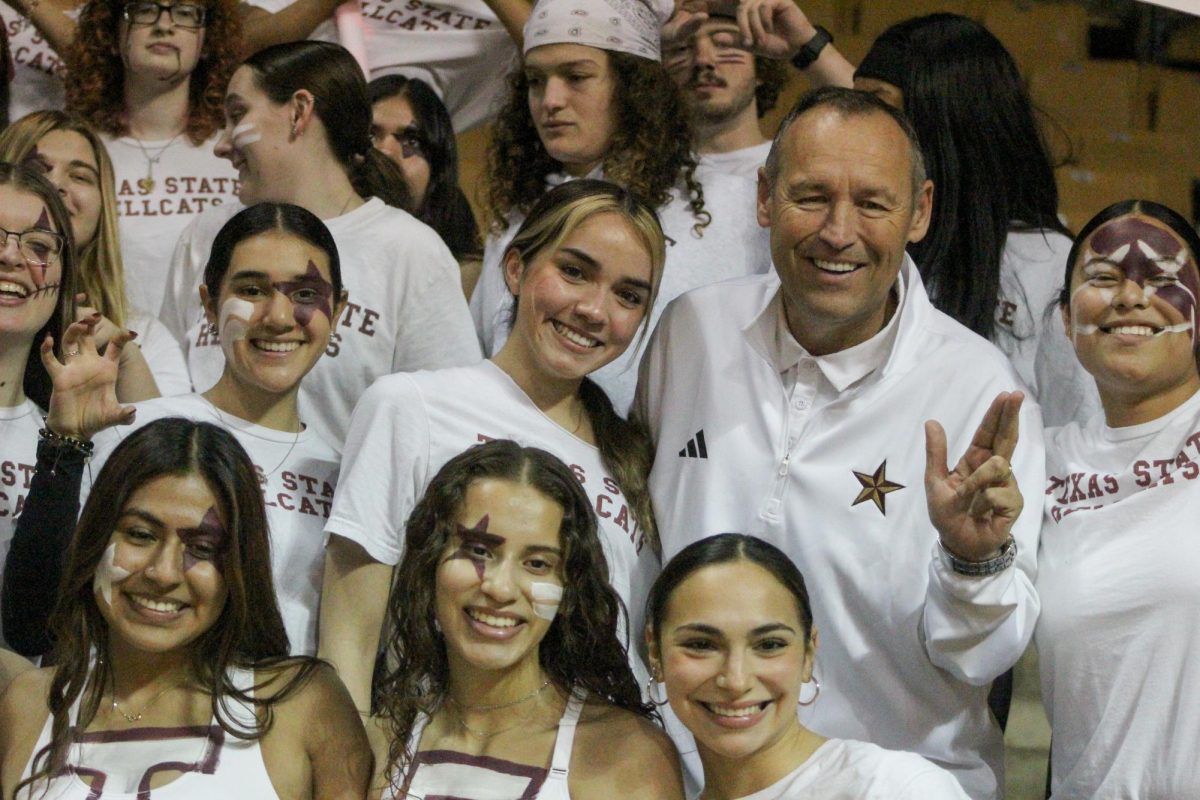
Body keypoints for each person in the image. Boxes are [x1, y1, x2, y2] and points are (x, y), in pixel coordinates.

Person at [635, 87, 1044, 800]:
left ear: (919, 212)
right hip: (684, 781)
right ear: (764, 198)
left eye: (873, 204)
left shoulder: (979, 388)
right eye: (812, 196)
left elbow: (983, 659)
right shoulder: (689, 332)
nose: (837, 231)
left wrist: (973, 563)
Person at [322, 179, 664, 716]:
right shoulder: (411, 406)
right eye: (574, 271)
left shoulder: (635, 458)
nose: (595, 310)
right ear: (515, 269)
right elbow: (350, 639)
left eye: (628, 295)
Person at [684, 1, 1092, 425]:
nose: (839, 232)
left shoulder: (1044, 264)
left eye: (877, 106)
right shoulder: (853, 241)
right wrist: (808, 46)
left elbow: (1077, 438)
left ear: (945, 120)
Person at [2, 202, 344, 659]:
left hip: (273, 724)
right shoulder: (132, 430)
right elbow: (33, 624)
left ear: (338, 310)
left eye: (305, 294)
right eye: (252, 289)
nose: (279, 317)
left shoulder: (345, 475)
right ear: (208, 304)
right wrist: (65, 446)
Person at [0, 418, 371, 799]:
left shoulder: (302, 703)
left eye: (203, 548)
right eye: (140, 535)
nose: (163, 572)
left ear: (239, 566)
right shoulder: (30, 702)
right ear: (95, 538)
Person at [161, 40, 480, 450]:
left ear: (299, 112)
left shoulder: (411, 252)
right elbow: (166, 389)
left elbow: (448, 424)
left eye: (238, 115)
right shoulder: (204, 235)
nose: (222, 144)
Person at [470, 0, 771, 414]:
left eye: (576, 76)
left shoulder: (732, 208)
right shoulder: (518, 216)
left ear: (633, 87)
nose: (550, 100)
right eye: (535, 81)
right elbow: (482, 359)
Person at [373, 439, 684, 799]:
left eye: (537, 564)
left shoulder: (625, 753)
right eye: (478, 551)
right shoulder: (385, 738)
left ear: (569, 590)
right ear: (430, 562)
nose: (501, 589)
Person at [1037, 200, 1200, 798]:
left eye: (1162, 279)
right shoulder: (1035, 461)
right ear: (1063, 318)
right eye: (1103, 277)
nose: (1131, 298)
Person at [646, 534, 970, 799]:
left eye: (769, 645)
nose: (735, 680)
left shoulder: (893, 788)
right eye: (701, 645)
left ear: (808, 654)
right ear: (655, 652)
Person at [61, 0, 245, 315]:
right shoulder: (78, 151)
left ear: (206, 42)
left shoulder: (236, 152)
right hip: (111, 351)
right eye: (145, 10)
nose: (164, 24)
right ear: (113, 38)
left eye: (185, 13)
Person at [0, 110, 191, 396]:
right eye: (38, 169)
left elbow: (162, 438)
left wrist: (124, 359)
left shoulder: (141, 335)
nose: (57, 186)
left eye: (80, 176)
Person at [0, 162, 81, 650]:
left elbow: (38, 631)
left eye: (38, 246)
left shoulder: (74, 436)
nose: (11, 257)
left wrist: (67, 443)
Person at [239, 0, 531, 132]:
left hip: (403, 163)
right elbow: (241, 45)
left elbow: (562, 54)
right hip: (299, 141)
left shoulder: (500, 25)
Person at [368, 74, 483, 296]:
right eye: (371, 135)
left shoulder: (464, 279)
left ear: (438, 169)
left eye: (412, 141)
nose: (384, 151)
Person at [662, 11, 787, 179]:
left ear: (761, 65)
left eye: (724, 43)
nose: (702, 59)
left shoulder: (792, 166)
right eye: (681, 48)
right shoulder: (638, 176)